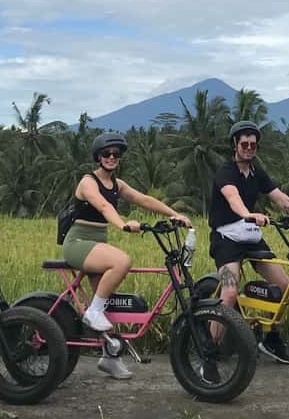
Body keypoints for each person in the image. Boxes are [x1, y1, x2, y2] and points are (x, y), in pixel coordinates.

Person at [63, 131, 192, 380]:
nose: (111, 157)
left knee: (109, 304)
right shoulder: (88, 182)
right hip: (79, 242)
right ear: (98, 157)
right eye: (106, 154)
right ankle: (91, 314)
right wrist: (122, 224)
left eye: (116, 154)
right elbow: (103, 206)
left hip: (97, 244)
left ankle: (110, 358)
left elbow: (143, 199)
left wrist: (173, 214)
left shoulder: (117, 184)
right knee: (122, 261)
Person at [208, 120, 289, 364]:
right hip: (225, 237)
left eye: (253, 144)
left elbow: (280, 197)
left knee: (284, 285)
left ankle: (271, 336)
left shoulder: (256, 172)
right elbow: (232, 196)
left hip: (249, 236)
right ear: (235, 145)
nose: (249, 148)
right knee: (229, 291)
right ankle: (211, 350)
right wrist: (247, 213)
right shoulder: (226, 171)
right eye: (244, 143)